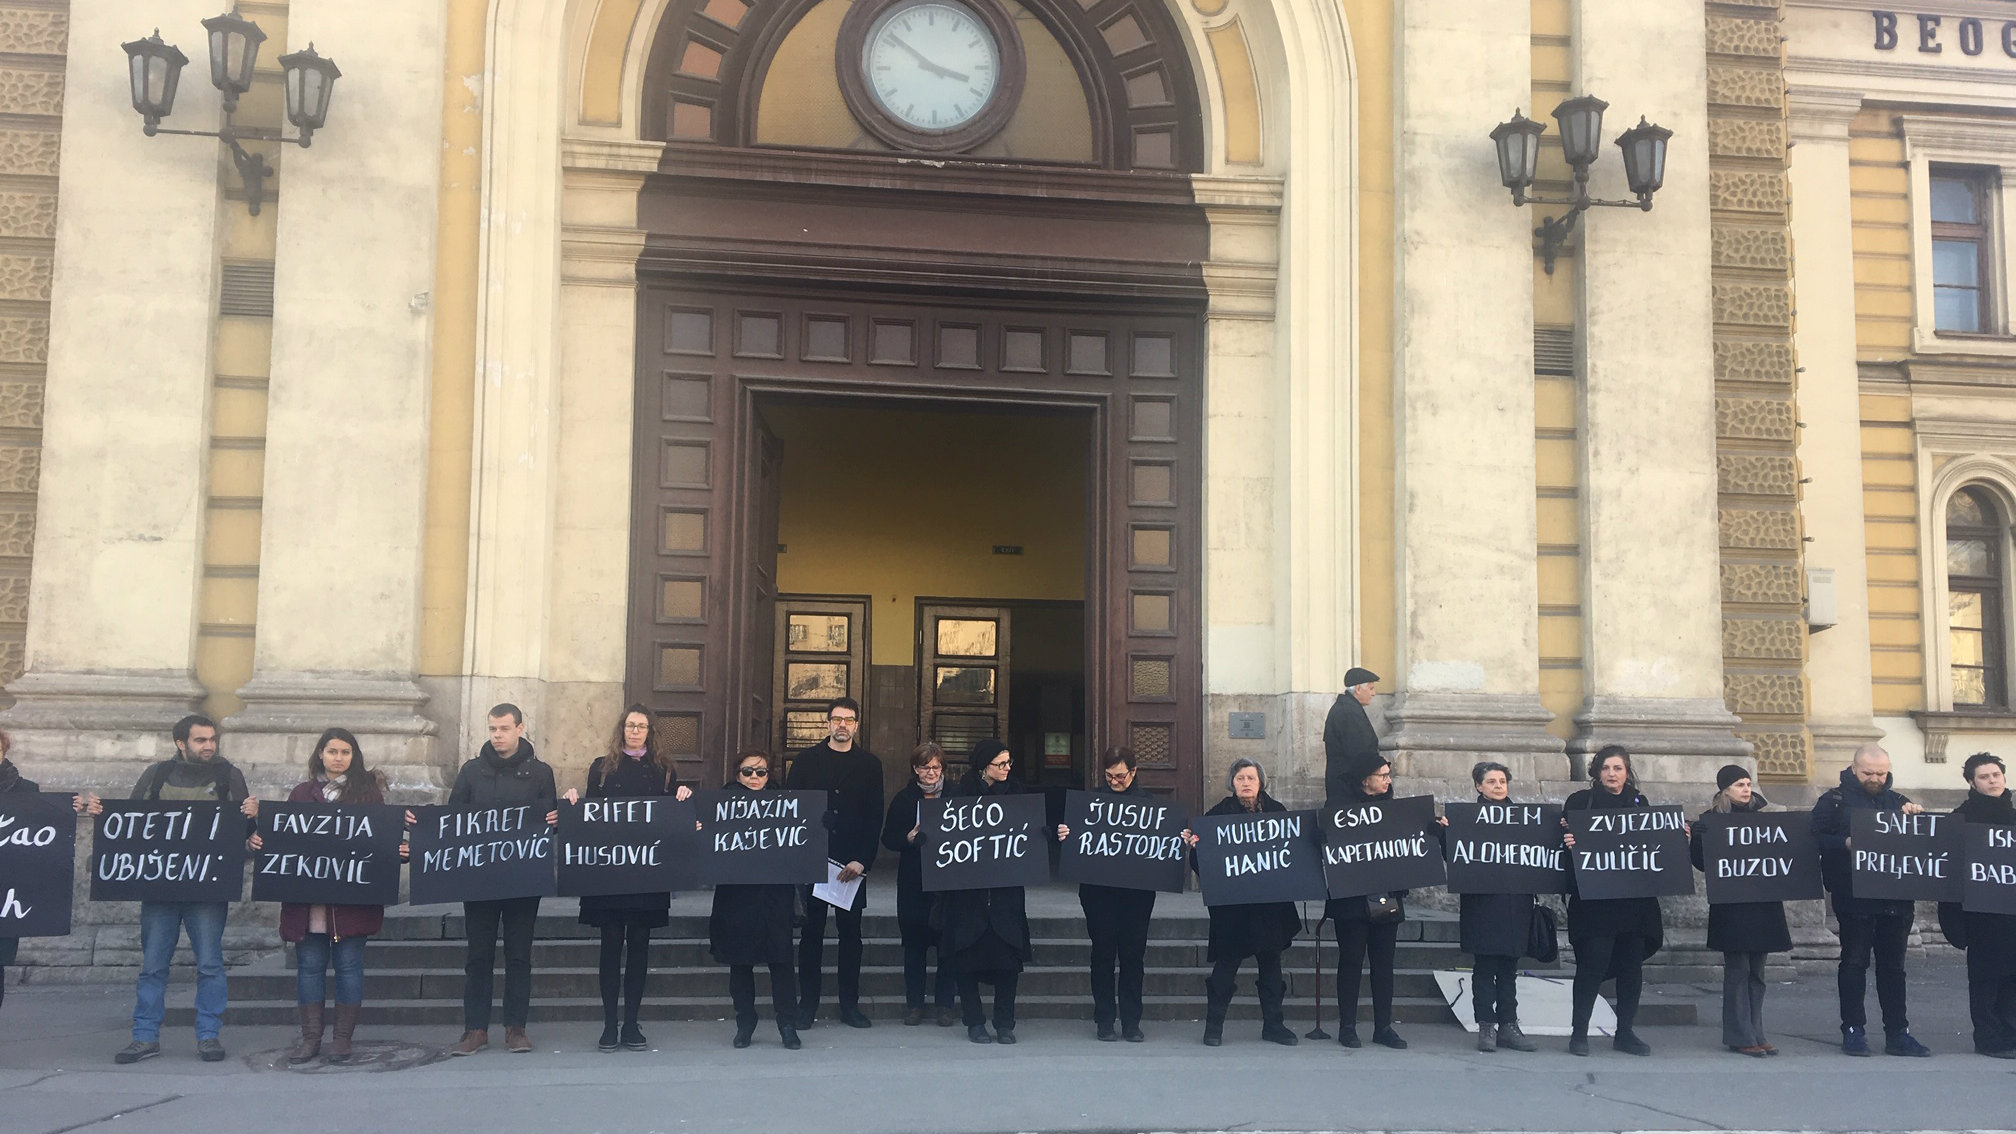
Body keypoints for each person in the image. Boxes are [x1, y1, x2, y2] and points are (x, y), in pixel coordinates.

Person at [247, 728, 403, 1064]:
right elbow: (285, 838)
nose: (338, 758)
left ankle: (342, 1040)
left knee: (349, 967)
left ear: (353, 756)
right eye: (332, 751)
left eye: (345, 752)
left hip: (351, 904)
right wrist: (261, 839)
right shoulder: (301, 794)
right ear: (321, 753)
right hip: (307, 905)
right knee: (309, 968)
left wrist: (398, 850)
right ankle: (311, 1039)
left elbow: (378, 841)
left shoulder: (368, 794)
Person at [114, 714, 251, 1066]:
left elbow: (245, 833)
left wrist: (252, 816)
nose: (209, 746)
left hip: (207, 890)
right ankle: (144, 1036)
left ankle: (208, 1035)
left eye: (212, 739)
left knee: (210, 965)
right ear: (180, 743)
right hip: (160, 889)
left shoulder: (229, 776)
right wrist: (102, 813)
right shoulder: (156, 775)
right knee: (153, 966)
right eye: (200, 740)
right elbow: (129, 822)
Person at [448, 703, 559, 1057]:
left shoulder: (540, 773)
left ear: (520, 729)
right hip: (479, 880)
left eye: (504, 729)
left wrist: (555, 820)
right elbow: (452, 819)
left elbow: (549, 821)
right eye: (493, 729)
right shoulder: (471, 771)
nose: (497, 735)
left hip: (522, 881)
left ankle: (516, 1028)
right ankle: (475, 1029)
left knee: (519, 954)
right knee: (478, 955)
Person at [579, 704, 690, 1053]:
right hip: (610, 873)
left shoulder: (665, 771)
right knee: (611, 944)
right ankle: (609, 1023)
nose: (635, 731)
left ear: (650, 732)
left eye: (641, 726)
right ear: (621, 729)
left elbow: (673, 818)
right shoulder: (601, 768)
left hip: (647, 873)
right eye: (630, 725)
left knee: (640, 945)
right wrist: (572, 802)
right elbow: (588, 814)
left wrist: (684, 797)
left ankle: (631, 1023)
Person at [1811, 741, 1933, 1057]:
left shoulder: (1898, 801)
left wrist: (1916, 816)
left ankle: (1898, 1032)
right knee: (1854, 962)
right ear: (1854, 769)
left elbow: (1921, 842)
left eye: (1881, 773)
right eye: (1868, 773)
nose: (1876, 779)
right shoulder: (1833, 801)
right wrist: (1845, 843)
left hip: (1896, 898)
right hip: (1853, 895)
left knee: (1894, 967)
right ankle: (1853, 1030)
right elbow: (1812, 838)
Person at [784, 696, 883, 1029]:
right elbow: (793, 808)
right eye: (837, 719)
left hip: (851, 863)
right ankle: (807, 1005)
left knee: (850, 936)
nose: (843, 725)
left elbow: (874, 816)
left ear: (857, 725)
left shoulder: (870, 764)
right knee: (811, 936)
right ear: (827, 722)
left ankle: (849, 1005)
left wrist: (862, 860)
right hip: (814, 860)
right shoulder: (806, 761)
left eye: (849, 719)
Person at [1186, 758, 1299, 1047]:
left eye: (1251, 778)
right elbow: (1202, 865)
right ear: (1232, 783)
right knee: (1225, 968)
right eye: (1240, 779)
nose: (1246, 783)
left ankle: (1274, 1025)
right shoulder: (1217, 816)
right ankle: (1213, 1027)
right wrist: (1196, 849)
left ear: (1261, 782)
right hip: (1233, 909)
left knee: (1271, 967)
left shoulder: (1277, 812)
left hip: (1269, 906)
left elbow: (1292, 855)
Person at [1561, 745, 1665, 1057]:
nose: (1611, 774)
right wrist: (1568, 842)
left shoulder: (1639, 803)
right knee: (1591, 965)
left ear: (1627, 772)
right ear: (1597, 772)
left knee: (1631, 968)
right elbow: (1560, 842)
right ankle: (1579, 1033)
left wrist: (1676, 837)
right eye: (1606, 768)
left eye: (1618, 768)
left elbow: (1651, 845)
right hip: (1595, 903)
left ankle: (1625, 1033)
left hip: (1634, 902)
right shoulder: (1580, 802)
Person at [1688, 764, 1792, 1058]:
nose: (1746, 789)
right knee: (1738, 970)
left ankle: (1756, 1032)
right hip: (1732, 907)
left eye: (1748, 783)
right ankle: (1740, 1034)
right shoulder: (1712, 821)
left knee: (1757, 972)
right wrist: (1697, 840)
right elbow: (1703, 865)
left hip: (1763, 905)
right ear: (1725, 790)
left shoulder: (1764, 820)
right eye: (1739, 785)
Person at [1055, 746, 1157, 1042]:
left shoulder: (1150, 805)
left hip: (1136, 896)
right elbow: (1077, 841)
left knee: (1133, 957)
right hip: (1099, 894)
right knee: (1102, 954)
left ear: (1134, 772)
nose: (1115, 782)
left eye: (1120, 776)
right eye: (1109, 776)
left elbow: (1161, 845)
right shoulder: (1091, 803)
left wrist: (1180, 839)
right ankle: (1104, 1020)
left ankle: (1131, 1022)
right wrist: (1066, 835)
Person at [1324, 751, 1425, 1050]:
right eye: (1382, 775)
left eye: (1388, 775)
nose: (1387, 780)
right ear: (1364, 779)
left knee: (1383, 965)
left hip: (1385, 897)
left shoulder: (1395, 811)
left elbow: (1412, 844)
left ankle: (1384, 1026)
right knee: (1351, 962)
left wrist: (1433, 831)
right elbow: (1326, 843)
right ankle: (1348, 1026)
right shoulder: (1339, 809)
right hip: (1351, 901)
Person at [940, 739, 1034, 1044]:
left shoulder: (1017, 794)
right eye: (1000, 764)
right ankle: (974, 1021)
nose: (1007, 768)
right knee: (966, 959)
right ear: (983, 766)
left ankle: (1005, 1023)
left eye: (1009, 762)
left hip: (1006, 893)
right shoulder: (959, 794)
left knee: (1008, 960)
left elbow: (1029, 833)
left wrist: (1043, 834)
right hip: (968, 895)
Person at [707, 749, 802, 1050]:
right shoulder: (721, 805)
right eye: (747, 772)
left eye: (761, 772)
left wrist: (818, 824)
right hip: (737, 897)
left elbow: (802, 841)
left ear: (768, 775)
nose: (754, 777)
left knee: (781, 962)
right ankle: (745, 1022)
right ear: (737, 775)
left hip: (775, 896)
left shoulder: (786, 805)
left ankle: (787, 1023)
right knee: (740, 963)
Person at [0, 728, 98, 1016]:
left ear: (4, 751)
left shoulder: (25, 790)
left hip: (6, 893)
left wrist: (72, 807)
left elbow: (44, 820)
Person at [1458, 761, 1539, 1053]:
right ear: (1478, 786)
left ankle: (1508, 1025)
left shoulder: (1525, 820)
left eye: (1502, 781)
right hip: (1482, 903)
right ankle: (1486, 1026)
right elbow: (1452, 853)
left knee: (1508, 968)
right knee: (1484, 967)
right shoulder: (1466, 819)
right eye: (1491, 781)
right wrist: (1442, 831)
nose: (1498, 786)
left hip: (1515, 903)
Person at [881, 741, 956, 1027]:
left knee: (947, 947)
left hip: (948, 881)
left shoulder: (956, 795)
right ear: (915, 769)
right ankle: (914, 1004)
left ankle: (945, 1005)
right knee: (914, 946)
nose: (931, 773)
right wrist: (908, 838)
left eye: (936, 767)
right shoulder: (904, 798)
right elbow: (888, 838)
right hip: (914, 882)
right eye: (925, 767)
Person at [1951, 752, 2016, 1059]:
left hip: (2012, 912)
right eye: (1984, 777)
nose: (1992, 781)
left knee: (2013, 977)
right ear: (1972, 783)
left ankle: (2011, 1034)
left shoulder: (2014, 816)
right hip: (1980, 915)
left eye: (1996, 775)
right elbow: (1949, 869)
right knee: (1987, 978)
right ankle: (1988, 1038)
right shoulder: (1960, 819)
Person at [1322, 667, 1381, 806]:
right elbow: (1359, 753)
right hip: (1349, 790)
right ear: (1358, 689)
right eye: (1371, 688)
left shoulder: (1348, 708)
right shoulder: (1348, 712)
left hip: (1346, 787)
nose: (1373, 693)